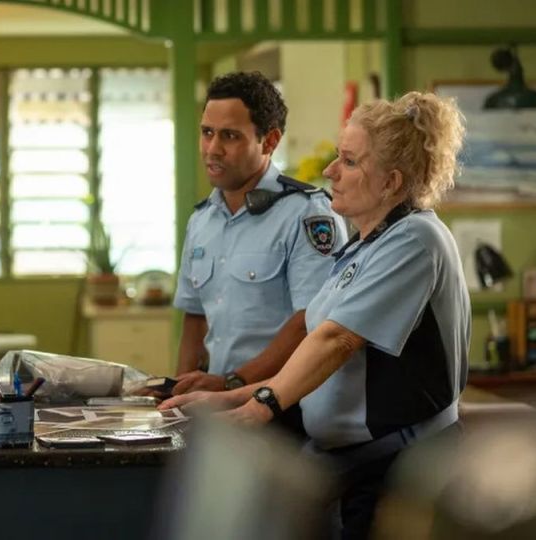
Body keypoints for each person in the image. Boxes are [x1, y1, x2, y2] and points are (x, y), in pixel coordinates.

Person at [161, 91, 470, 538]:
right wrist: (231, 397)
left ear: (391, 182)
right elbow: (322, 356)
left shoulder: (416, 240)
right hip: (355, 465)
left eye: (348, 161)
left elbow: (335, 341)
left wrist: (261, 408)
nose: (330, 172)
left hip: (403, 471)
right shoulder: (365, 245)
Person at [168, 71, 345, 401]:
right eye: (207, 133)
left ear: (271, 140)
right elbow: (194, 318)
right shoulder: (201, 220)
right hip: (215, 402)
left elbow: (310, 320)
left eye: (230, 136)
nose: (213, 149)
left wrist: (233, 383)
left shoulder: (307, 213)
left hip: (283, 405)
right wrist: (178, 395)